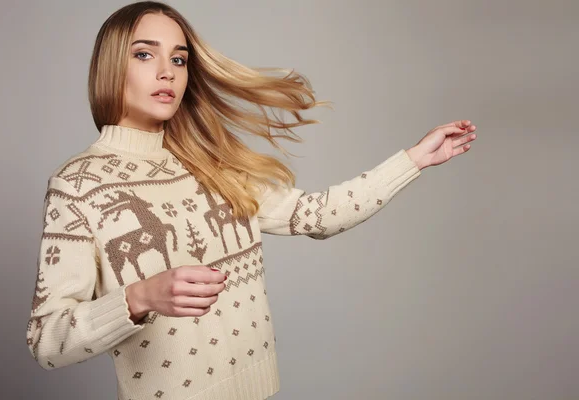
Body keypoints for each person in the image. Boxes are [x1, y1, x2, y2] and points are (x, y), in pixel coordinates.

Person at [25, 1, 478, 399]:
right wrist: (140, 297)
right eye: (144, 54)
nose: (167, 71)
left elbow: (317, 215)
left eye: (179, 59)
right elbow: (47, 341)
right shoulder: (77, 184)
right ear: (110, 66)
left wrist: (415, 160)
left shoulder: (210, 162)